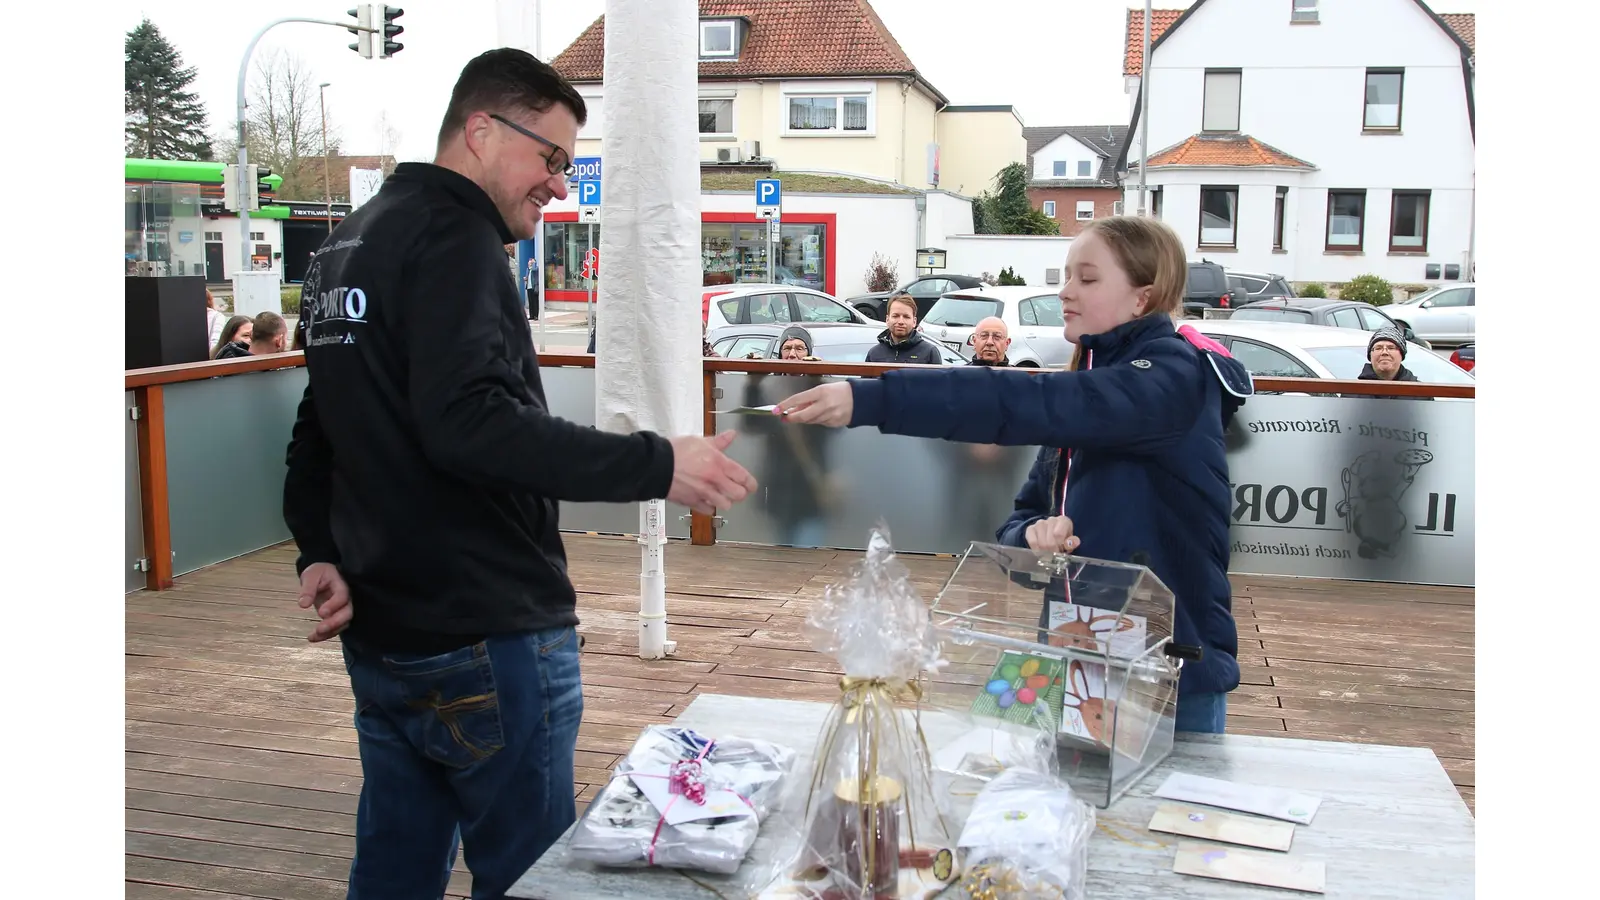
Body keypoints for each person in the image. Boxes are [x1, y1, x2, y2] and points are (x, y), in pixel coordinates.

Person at [282, 48, 757, 900]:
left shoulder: (345, 248)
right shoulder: (457, 239)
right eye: (550, 158)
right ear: (479, 128)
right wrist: (659, 463)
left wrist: (317, 550)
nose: (560, 186)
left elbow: (318, 434)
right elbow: (472, 426)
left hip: (388, 639)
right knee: (532, 880)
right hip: (485, 635)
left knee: (392, 872)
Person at [776, 216, 1253, 734]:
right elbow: (1019, 522)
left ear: (1143, 297)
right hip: (1079, 668)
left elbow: (1015, 400)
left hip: (1169, 681)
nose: (1066, 291)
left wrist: (869, 398)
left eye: (1087, 279)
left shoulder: (1170, 382)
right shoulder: (1089, 383)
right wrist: (1032, 537)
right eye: (1067, 275)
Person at [1353, 326, 1431, 400]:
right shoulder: (1352, 391)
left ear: (1401, 355)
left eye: (1391, 348)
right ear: (1370, 355)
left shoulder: (1420, 393)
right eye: (1378, 348)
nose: (1384, 352)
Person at [865, 293, 941, 364]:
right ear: (887, 319)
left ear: (914, 322)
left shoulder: (929, 353)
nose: (901, 321)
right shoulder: (874, 354)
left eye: (906, 317)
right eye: (895, 316)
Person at [218, 311, 288, 358]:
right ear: (279, 341)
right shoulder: (270, 373)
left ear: (251, 335)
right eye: (286, 339)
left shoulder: (225, 357)